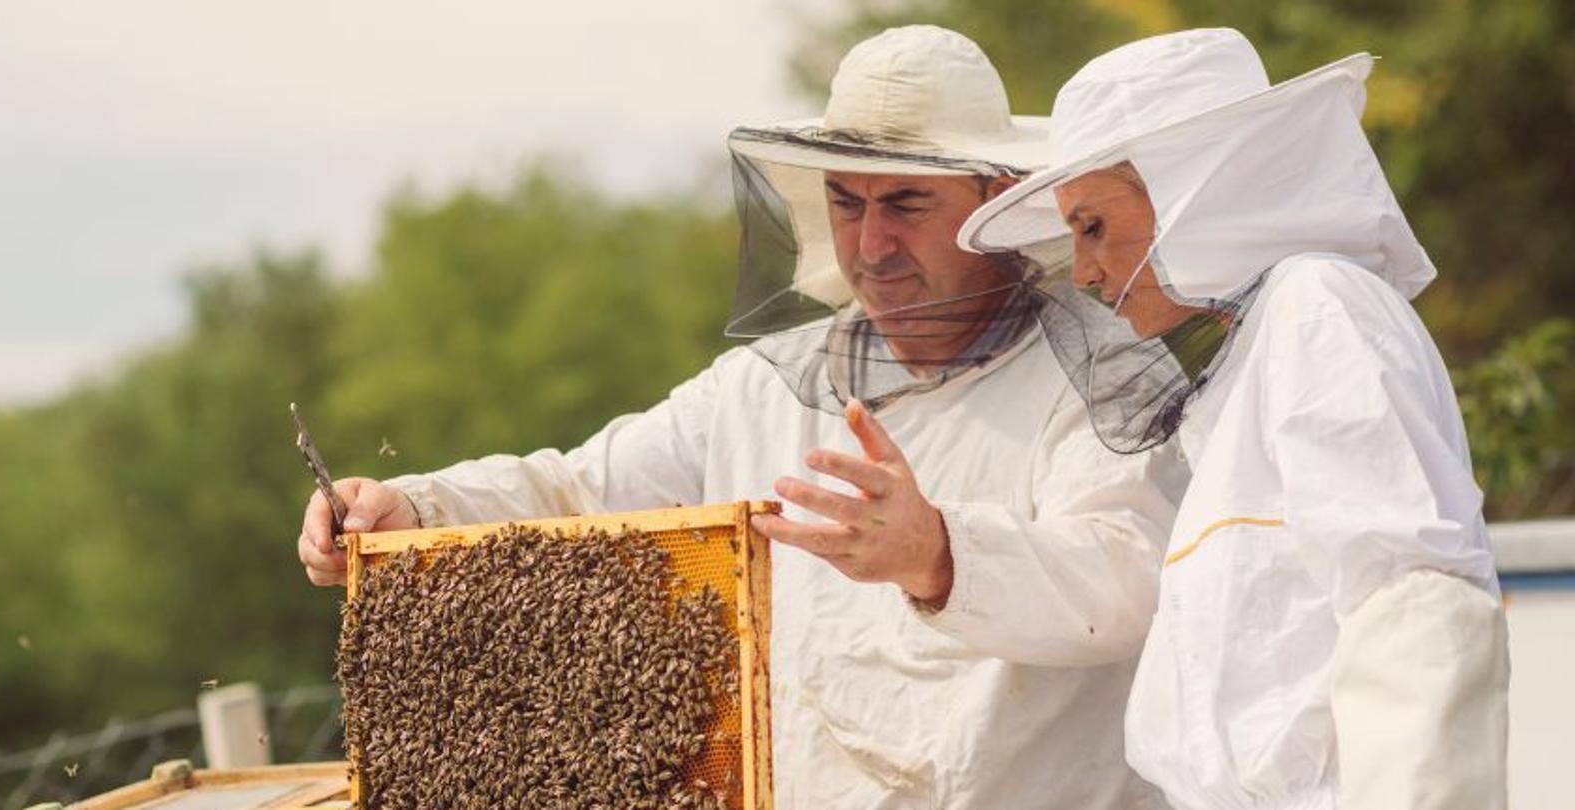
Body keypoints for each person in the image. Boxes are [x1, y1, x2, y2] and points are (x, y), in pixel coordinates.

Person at [303, 26, 1184, 808]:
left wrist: (941, 553)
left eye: (906, 204)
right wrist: (416, 511)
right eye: (847, 203)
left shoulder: (1102, 370)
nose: (871, 245)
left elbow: (1131, 578)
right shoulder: (765, 387)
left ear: (993, 201)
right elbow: (583, 487)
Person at [957, 28, 1510, 810]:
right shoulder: (1250, 355)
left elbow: (1415, 605)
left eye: (1093, 226)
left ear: (1193, 194)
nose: (1084, 272)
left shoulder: (1320, 310)